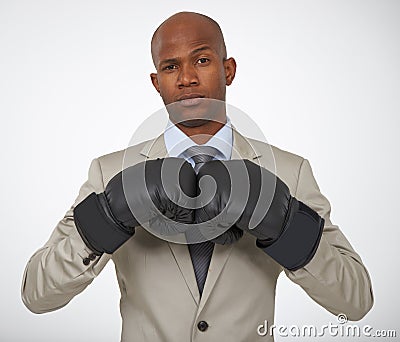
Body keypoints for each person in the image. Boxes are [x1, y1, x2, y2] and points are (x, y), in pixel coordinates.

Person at [21, 11, 373, 342]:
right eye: (171, 66)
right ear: (156, 82)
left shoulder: (288, 171)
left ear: (228, 70)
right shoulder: (112, 172)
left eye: (202, 60)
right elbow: (37, 294)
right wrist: (106, 219)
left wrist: (287, 229)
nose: (187, 78)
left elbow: (355, 301)